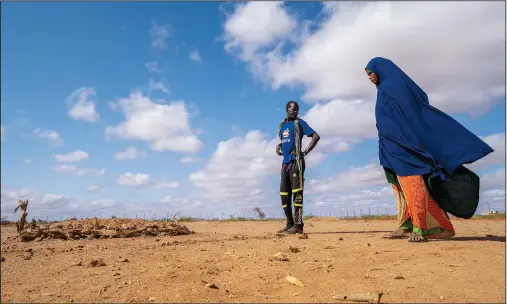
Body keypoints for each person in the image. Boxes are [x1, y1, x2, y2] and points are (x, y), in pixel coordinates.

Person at [365, 57, 494, 242]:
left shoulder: (396, 88)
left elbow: (413, 115)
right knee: (399, 186)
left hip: (404, 147)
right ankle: (407, 224)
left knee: (412, 183)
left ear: (381, 70)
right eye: (367, 74)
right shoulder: (384, 90)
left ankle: (426, 227)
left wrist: (409, 142)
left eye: (370, 72)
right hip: (390, 146)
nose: (369, 77)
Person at [275, 101, 320, 235]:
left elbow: (316, 136)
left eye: (297, 110)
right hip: (285, 164)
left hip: (297, 163)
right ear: (287, 109)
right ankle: (289, 224)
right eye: (293, 109)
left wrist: (305, 152)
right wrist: (279, 146)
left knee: (297, 194)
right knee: (284, 195)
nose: (295, 112)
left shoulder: (299, 123)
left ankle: (298, 225)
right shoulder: (282, 125)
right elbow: (286, 141)